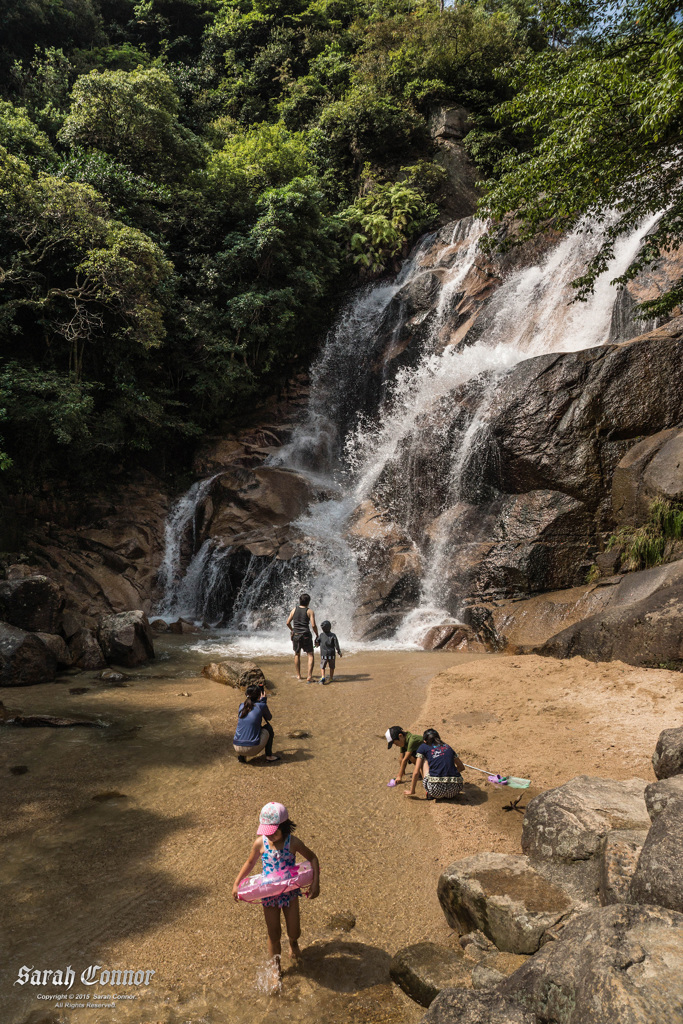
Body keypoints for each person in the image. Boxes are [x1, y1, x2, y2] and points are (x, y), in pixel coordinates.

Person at [232, 802, 320, 989]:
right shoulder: (260, 843)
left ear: (285, 827)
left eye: (274, 832)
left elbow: (313, 858)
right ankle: (275, 969)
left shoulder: (292, 842)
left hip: (290, 893)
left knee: (294, 930)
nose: (270, 835)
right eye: (267, 831)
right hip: (269, 896)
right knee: (273, 934)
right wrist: (236, 883)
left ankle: (293, 943)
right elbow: (249, 863)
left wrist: (315, 883)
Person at [406, 728, 466, 800]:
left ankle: (428, 793)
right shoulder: (447, 747)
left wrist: (412, 791)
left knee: (424, 758)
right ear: (438, 738)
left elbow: (416, 772)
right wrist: (448, 774)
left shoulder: (423, 747)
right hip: (455, 790)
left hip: (435, 790)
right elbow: (461, 767)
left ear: (425, 741)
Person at [233, 684, 280, 763]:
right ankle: (269, 756)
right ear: (259, 695)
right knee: (269, 728)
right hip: (252, 748)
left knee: (245, 727)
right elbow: (269, 718)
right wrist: (264, 702)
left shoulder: (241, 706)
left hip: (237, 747)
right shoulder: (261, 706)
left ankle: (242, 756)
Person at [286, 593, 318, 682]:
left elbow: (287, 622)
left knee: (297, 654)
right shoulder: (310, 611)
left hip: (296, 635)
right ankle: (309, 676)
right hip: (306, 635)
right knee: (310, 654)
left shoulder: (294, 610)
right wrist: (317, 635)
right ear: (308, 602)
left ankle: (299, 676)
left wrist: (292, 630)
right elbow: (313, 625)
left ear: (300, 601)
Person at [314, 620, 342, 684]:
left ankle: (323, 677)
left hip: (323, 655)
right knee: (332, 666)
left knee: (322, 666)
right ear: (330, 627)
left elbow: (316, 644)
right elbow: (336, 645)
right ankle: (331, 678)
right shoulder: (333, 635)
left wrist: (315, 642)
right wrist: (339, 652)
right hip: (331, 654)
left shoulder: (321, 635)